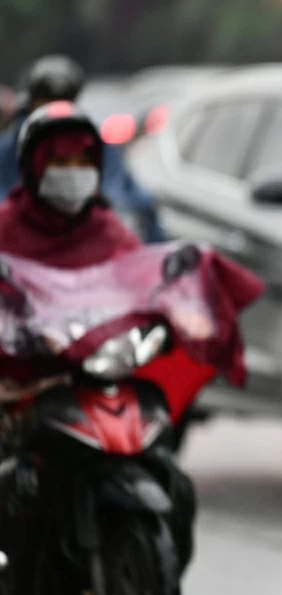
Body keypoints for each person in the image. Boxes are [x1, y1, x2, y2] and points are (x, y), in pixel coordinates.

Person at [0, 102, 196, 565]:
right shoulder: (7, 227)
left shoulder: (108, 227)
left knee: (175, 482)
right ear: (32, 165)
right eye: (59, 161)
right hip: (20, 388)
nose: (72, 173)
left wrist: (177, 310)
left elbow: (143, 280)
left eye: (81, 161)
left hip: (92, 381)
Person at [0, 54, 165, 243]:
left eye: (81, 162)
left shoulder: (93, 144)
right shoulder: (11, 151)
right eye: (57, 161)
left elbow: (127, 199)